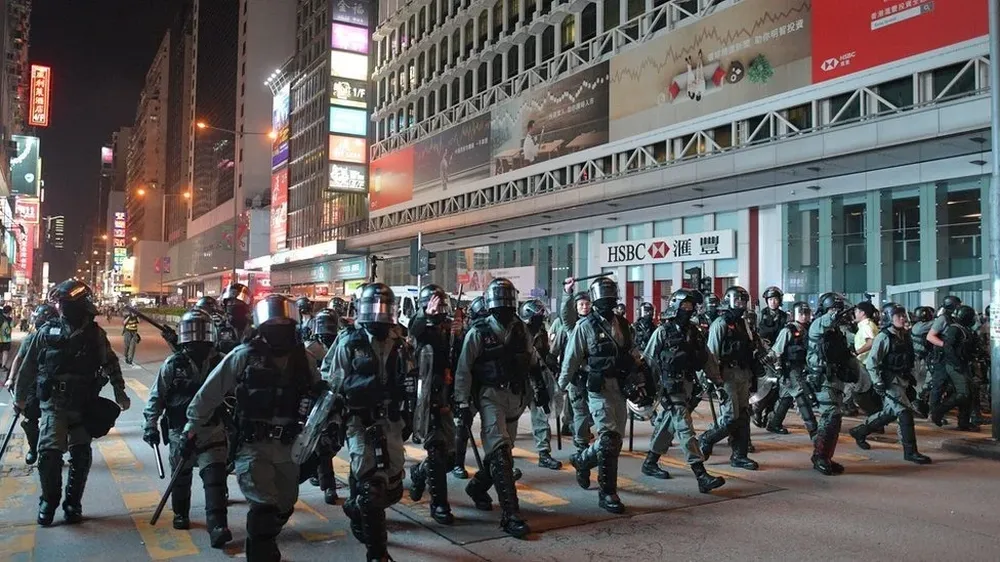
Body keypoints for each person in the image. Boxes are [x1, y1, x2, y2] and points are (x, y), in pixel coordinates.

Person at [184, 294, 321, 561]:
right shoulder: (244, 356)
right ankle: (261, 550)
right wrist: (193, 426)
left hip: (290, 448)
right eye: (275, 319)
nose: (280, 325)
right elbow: (210, 392)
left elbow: (321, 394)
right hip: (253, 446)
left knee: (284, 506)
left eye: (285, 320)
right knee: (263, 510)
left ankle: (264, 539)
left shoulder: (303, 359)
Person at [14, 280, 131, 526]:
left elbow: (110, 363)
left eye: (69, 303)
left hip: (82, 404)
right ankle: (49, 501)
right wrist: (20, 397)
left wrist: (120, 392)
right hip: (54, 405)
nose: (64, 307)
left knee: (80, 454)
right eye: (62, 303)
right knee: (48, 453)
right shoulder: (47, 331)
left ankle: (73, 503)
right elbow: (29, 366)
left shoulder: (94, 334)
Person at [323, 283, 411, 561]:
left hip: (391, 418)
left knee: (393, 484)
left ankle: (355, 505)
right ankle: (378, 554)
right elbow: (331, 380)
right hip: (359, 420)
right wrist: (333, 419)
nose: (379, 314)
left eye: (384, 308)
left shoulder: (399, 341)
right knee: (371, 484)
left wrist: (411, 413)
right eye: (373, 307)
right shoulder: (349, 340)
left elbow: (412, 379)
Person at [455, 278, 546, 538]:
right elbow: (464, 370)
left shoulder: (520, 330)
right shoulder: (478, 332)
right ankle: (511, 514)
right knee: (500, 452)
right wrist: (462, 403)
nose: (505, 308)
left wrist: (540, 387)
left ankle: (476, 487)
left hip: (515, 397)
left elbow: (532, 358)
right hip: (489, 396)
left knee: (500, 454)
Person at [142, 309, 232, 547]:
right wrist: (150, 424)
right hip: (179, 432)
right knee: (181, 478)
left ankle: (217, 525)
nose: (197, 339)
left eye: (202, 333)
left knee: (215, 478)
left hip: (212, 430)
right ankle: (181, 513)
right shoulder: (174, 364)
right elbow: (157, 396)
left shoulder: (221, 362)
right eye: (192, 333)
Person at [560, 276, 648, 514]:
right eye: (603, 297)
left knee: (614, 442)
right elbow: (571, 359)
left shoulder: (623, 324)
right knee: (608, 438)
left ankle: (582, 460)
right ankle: (607, 493)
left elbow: (632, 351)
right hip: (597, 389)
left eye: (611, 297)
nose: (607, 302)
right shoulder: (584, 326)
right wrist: (560, 387)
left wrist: (642, 374)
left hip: (620, 388)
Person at [640, 289, 726, 493]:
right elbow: (648, 361)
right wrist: (646, 390)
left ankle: (650, 462)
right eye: (685, 306)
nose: (689, 310)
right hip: (668, 387)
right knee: (684, 426)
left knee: (667, 424)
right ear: (675, 306)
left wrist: (718, 382)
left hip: (687, 385)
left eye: (691, 306)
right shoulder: (663, 331)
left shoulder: (694, 333)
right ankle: (700, 474)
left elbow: (707, 359)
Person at [848, 303, 932, 464]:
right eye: (898, 316)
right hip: (889, 381)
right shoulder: (884, 336)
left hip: (902, 380)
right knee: (904, 412)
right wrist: (878, 382)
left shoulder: (904, 334)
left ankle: (860, 431)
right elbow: (872, 362)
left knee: (890, 412)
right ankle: (910, 452)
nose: (902, 318)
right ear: (889, 318)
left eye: (903, 315)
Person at [407, 284, 459, 524]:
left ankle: (418, 473)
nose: (439, 309)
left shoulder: (449, 330)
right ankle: (439, 505)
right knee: (437, 450)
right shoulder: (422, 330)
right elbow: (414, 331)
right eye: (433, 304)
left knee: (451, 456)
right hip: (427, 400)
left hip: (449, 398)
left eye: (441, 304)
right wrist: (425, 316)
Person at [698, 286, 762, 471]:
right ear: (729, 302)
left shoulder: (743, 324)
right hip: (726, 376)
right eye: (738, 301)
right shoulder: (720, 324)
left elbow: (750, 348)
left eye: (743, 301)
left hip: (742, 374)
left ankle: (740, 455)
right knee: (729, 417)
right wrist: (712, 380)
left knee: (743, 416)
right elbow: (712, 354)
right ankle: (707, 439)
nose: (741, 305)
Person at [805, 292, 857, 475]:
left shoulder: (837, 332)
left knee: (834, 419)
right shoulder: (818, 325)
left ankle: (824, 456)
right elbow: (827, 321)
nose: (837, 313)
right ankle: (820, 457)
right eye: (834, 309)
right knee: (831, 416)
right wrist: (837, 313)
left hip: (835, 379)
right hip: (822, 379)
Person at [3, 304, 59, 465]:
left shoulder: (65, 338)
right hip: (34, 386)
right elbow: (19, 360)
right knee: (30, 419)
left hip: (57, 388)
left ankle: (54, 451)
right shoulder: (32, 338)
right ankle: (33, 448)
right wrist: (11, 379)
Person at [519, 298, 562, 470]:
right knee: (508, 418)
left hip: (538, 377)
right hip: (520, 379)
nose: (541, 318)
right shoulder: (518, 332)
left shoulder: (541, 332)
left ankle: (544, 453)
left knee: (541, 415)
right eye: (537, 315)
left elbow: (543, 352)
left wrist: (550, 360)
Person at [305, 308, 342, 505]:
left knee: (337, 441)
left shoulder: (343, 344)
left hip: (341, 399)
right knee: (324, 444)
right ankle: (328, 485)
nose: (326, 330)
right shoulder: (310, 349)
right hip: (319, 402)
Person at [763, 302, 817, 437]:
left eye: (807, 313)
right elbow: (776, 351)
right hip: (790, 368)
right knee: (801, 395)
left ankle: (774, 423)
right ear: (794, 315)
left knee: (786, 398)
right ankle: (814, 430)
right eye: (801, 313)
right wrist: (775, 365)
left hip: (803, 368)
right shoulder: (788, 330)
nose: (805, 316)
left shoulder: (810, 329)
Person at [450, 295, 489, 479]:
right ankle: (458, 463)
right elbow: (461, 366)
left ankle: (497, 464)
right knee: (463, 426)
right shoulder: (467, 334)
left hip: (488, 386)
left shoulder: (492, 332)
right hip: (469, 386)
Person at [931, 304, 980, 430]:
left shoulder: (964, 329)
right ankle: (938, 411)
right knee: (963, 394)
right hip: (955, 365)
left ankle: (963, 422)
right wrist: (956, 365)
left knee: (969, 393)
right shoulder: (955, 329)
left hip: (962, 364)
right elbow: (949, 348)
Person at [844, 302, 879, 416]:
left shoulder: (866, 326)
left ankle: (875, 419)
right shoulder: (868, 324)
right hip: (866, 363)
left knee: (861, 394)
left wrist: (856, 352)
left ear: (862, 313)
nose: (855, 314)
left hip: (865, 363)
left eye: (856, 311)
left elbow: (871, 342)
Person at [909, 305, 936, 417]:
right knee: (921, 384)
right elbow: (938, 323)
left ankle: (920, 405)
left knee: (923, 383)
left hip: (921, 359)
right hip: (919, 360)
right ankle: (918, 406)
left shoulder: (918, 325)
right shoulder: (920, 327)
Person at [218, 283, 254, 354]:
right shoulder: (218, 327)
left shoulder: (255, 328)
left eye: (237, 301)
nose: (233, 304)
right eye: (230, 301)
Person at [0, 304, 14, 370]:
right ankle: (3, 366)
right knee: (5, 352)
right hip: (6, 339)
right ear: (9, 312)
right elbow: (12, 326)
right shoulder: (10, 319)